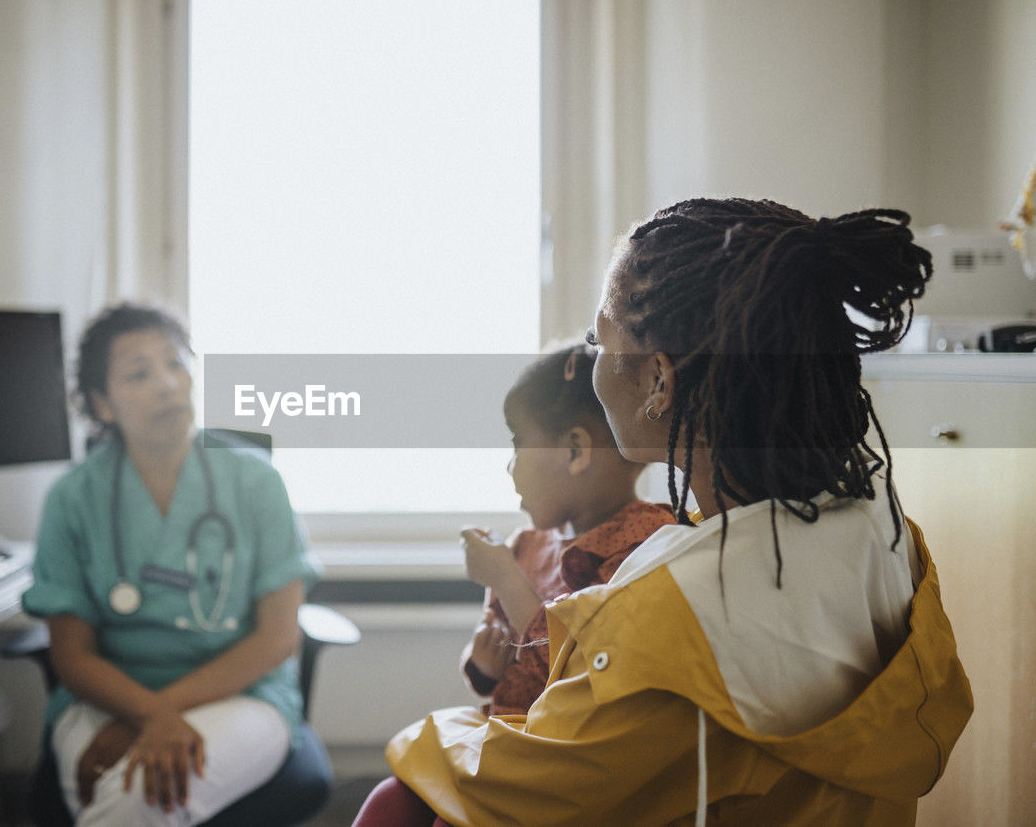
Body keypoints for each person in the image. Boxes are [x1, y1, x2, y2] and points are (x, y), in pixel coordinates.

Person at [359, 200, 973, 825]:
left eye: (600, 339)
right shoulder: (887, 533)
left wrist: (425, 738)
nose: (594, 358)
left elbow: (527, 792)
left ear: (658, 381)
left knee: (397, 803)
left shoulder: (671, 614)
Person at [21, 302, 320, 825]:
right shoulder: (72, 499)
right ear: (102, 404)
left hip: (241, 696)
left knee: (140, 794)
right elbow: (71, 654)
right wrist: (145, 713)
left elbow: (276, 638)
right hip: (105, 700)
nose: (166, 383)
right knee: (127, 791)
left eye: (176, 363)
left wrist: (156, 714)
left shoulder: (257, 483)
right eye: (139, 373)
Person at [458, 342, 673, 717]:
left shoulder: (645, 542)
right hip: (510, 734)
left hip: (568, 751)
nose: (510, 467)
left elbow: (583, 666)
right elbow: (490, 669)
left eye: (517, 443)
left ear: (574, 451)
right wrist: (484, 664)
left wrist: (508, 581)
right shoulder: (525, 546)